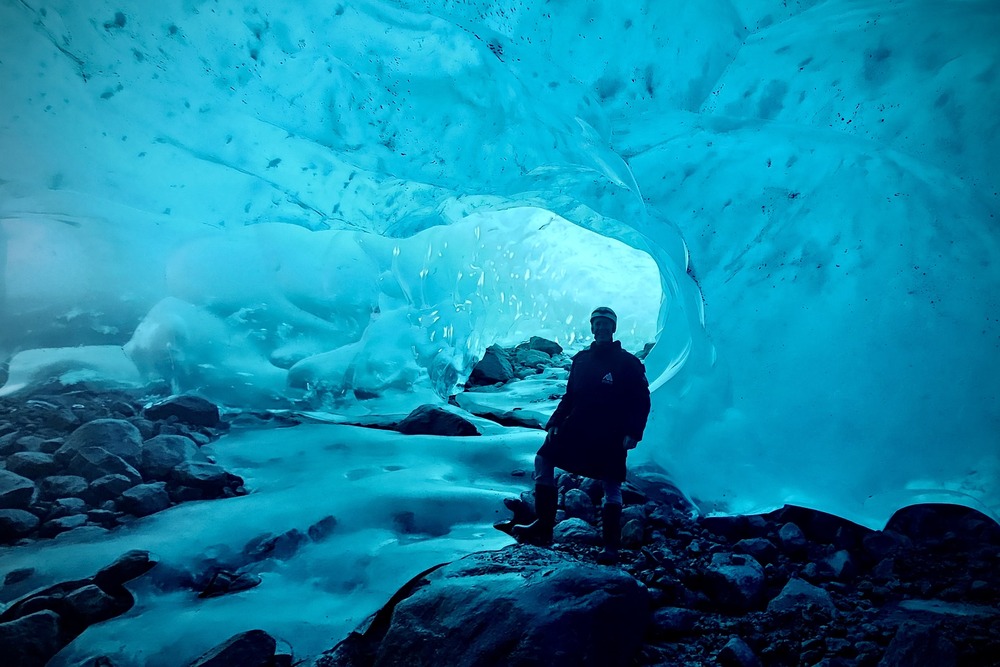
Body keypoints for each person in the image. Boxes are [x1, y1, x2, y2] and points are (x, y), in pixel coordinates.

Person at [512, 306, 651, 564]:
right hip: (577, 426)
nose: (601, 328)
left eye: (606, 323)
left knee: (611, 484)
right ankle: (543, 526)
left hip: (611, 432)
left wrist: (634, 432)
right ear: (592, 327)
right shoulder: (581, 360)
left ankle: (610, 547)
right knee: (543, 458)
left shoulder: (629, 363)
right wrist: (555, 421)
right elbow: (570, 396)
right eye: (596, 323)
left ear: (613, 328)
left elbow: (642, 401)